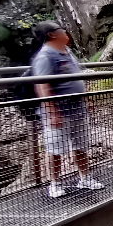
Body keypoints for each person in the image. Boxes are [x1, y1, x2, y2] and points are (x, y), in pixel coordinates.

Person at [30, 22, 103, 198]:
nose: (65, 32)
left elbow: (76, 77)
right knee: (55, 149)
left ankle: (85, 178)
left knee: (80, 145)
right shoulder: (46, 56)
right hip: (59, 111)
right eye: (61, 30)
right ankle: (54, 184)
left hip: (77, 108)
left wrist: (86, 99)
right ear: (52, 35)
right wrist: (52, 112)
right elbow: (42, 85)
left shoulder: (67, 51)